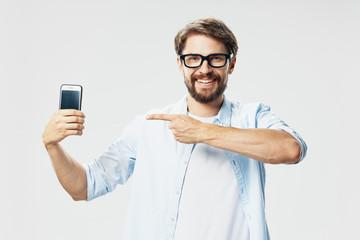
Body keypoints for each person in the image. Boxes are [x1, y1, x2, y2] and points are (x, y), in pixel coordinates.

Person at [43, 18, 307, 240]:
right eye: (194, 58)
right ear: (181, 64)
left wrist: (204, 131)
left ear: (231, 64)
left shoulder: (254, 116)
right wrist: (52, 146)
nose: (204, 69)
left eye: (215, 58)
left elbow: (291, 149)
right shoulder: (149, 126)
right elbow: (85, 187)